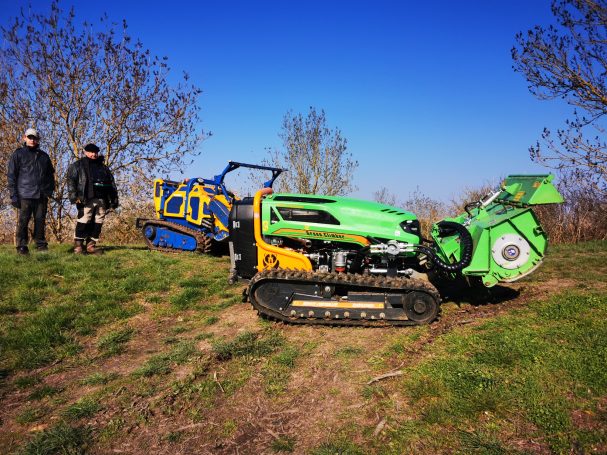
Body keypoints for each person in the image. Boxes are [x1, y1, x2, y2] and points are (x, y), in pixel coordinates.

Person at [7, 128, 56, 255]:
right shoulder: (18, 154)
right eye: (30, 137)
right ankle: (22, 246)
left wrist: (49, 191)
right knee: (23, 221)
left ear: (38, 139)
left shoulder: (44, 156)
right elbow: (11, 176)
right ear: (24, 138)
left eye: (34, 138)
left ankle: (41, 245)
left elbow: (51, 175)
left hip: (41, 195)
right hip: (24, 194)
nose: (32, 140)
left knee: (40, 220)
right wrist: (14, 196)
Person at [67, 143, 119, 254]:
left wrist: (114, 199)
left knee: (98, 222)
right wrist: (74, 197)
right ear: (85, 152)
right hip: (86, 198)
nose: (93, 154)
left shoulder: (104, 168)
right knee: (83, 221)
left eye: (95, 152)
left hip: (102, 199)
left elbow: (112, 184)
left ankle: (91, 246)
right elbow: (71, 181)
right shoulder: (78, 165)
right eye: (91, 152)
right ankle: (78, 247)